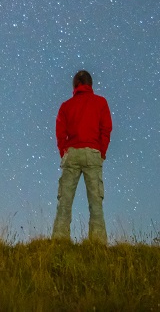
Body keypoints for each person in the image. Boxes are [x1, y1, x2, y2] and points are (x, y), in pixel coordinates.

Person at [52, 69, 112, 244]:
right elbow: (106, 129)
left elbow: (60, 132)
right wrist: (101, 152)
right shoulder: (100, 103)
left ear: (75, 86)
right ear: (90, 84)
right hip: (93, 153)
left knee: (65, 201)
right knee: (96, 202)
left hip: (72, 153)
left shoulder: (66, 106)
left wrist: (64, 152)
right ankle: (98, 242)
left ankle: (60, 240)